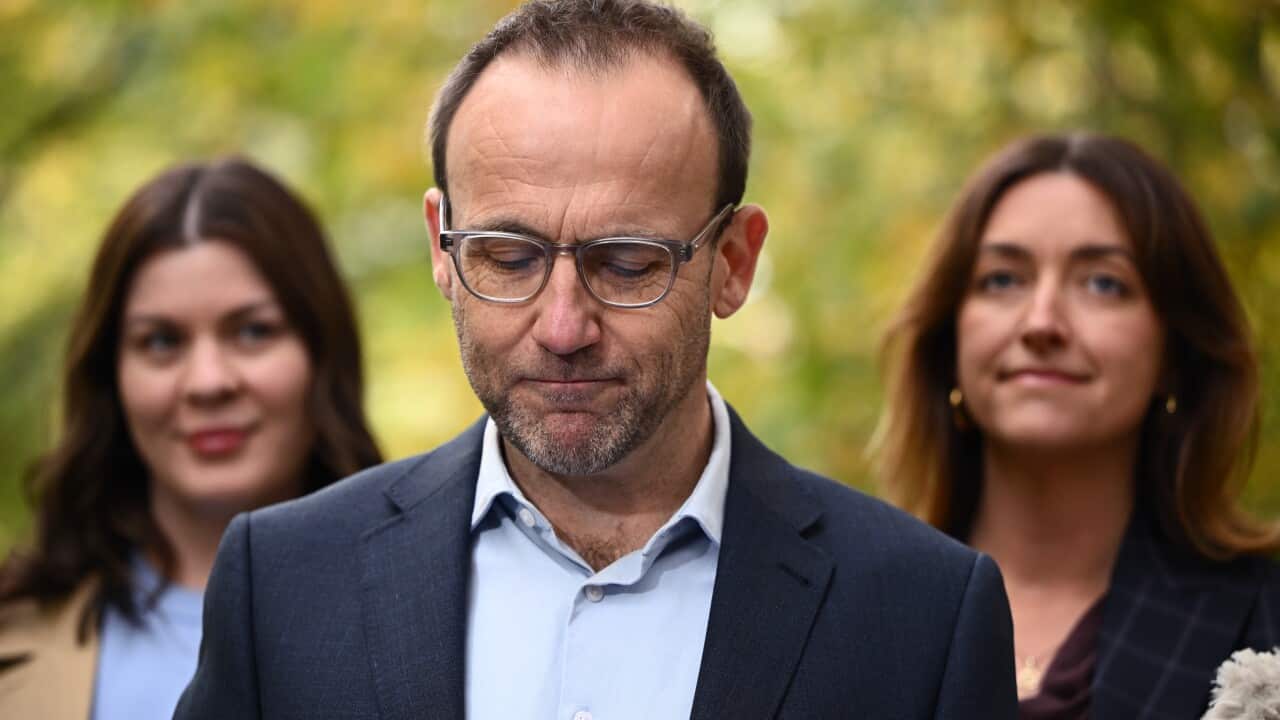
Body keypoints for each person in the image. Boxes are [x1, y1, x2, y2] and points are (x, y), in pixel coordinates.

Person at [175, 2, 1017, 718]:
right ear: (441, 246)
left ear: (733, 261)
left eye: (627, 264)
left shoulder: (923, 617)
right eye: (508, 257)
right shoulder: (279, 587)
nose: (564, 326)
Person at [876, 132, 1280, 719]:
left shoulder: (1264, 620)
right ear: (949, 339)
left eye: (1102, 283)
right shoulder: (851, 604)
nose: (1042, 323)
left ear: (1175, 351)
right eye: (1003, 279)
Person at [0, 157, 383, 719]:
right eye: (160, 342)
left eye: (253, 331)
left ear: (323, 354)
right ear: (111, 374)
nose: (207, 383)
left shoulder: (438, 609)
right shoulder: (14, 634)